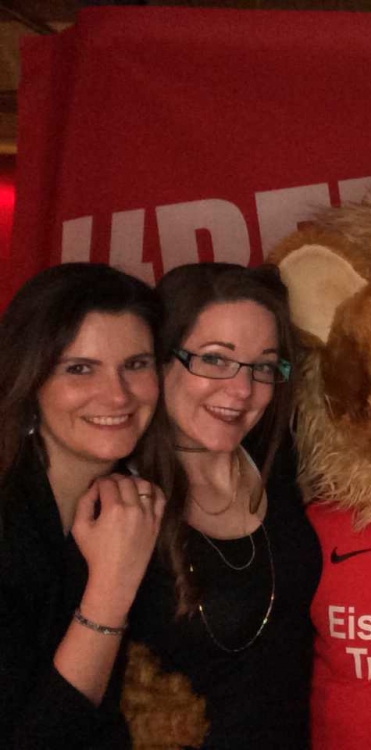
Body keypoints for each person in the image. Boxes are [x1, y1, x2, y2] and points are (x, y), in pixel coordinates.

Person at [129, 263, 321, 747]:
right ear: (160, 359)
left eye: (263, 367)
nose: (242, 390)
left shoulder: (280, 461)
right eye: (215, 359)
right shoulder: (121, 503)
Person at [0, 263, 168, 748]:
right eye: (79, 368)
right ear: (29, 378)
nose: (117, 395)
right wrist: (110, 590)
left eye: (136, 364)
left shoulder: (135, 498)